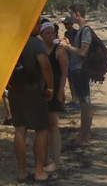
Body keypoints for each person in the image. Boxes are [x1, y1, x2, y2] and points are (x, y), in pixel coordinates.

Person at [9, 15, 54, 183]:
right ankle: (39, 172)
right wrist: (50, 87)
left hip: (15, 91)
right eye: (37, 23)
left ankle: (21, 172)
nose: (39, 27)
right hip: (34, 91)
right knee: (41, 130)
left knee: (20, 130)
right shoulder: (35, 43)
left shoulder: (12, 41)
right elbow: (45, 66)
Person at [60, 3, 93, 146]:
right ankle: (82, 134)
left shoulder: (85, 30)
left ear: (77, 14)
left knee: (85, 103)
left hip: (81, 70)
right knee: (83, 102)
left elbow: (82, 52)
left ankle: (84, 137)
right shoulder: (81, 30)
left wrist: (67, 47)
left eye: (72, 14)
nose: (71, 17)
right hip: (78, 70)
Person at [39, 21, 68, 171]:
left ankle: (55, 160)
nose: (50, 36)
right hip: (40, 91)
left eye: (52, 33)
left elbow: (64, 72)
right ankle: (43, 159)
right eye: (47, 33)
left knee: (52, 125)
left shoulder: (59, 50)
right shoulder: (38, 49)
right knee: (41, 126)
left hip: (55, 89)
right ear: (42, 34)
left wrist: (60, 90)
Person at [61, 14, 79, 108]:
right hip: (68, 58)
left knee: (75, 79)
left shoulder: (76, 33)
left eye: (67, 24)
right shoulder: (66, 34)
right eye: (65, 24)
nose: (66, 26)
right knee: (70, 80)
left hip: (75, 58)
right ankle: (73, 98)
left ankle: (77, 98)